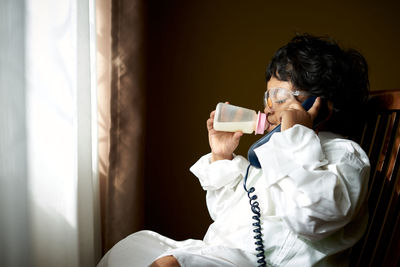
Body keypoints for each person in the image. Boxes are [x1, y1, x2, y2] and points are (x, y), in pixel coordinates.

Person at [97, 34, 370, 267]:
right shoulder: (278, 150)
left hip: (264, 263)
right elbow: (230, 217)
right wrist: (221, 156)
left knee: (171, 264)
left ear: (318, 104)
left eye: (279, 97)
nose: (268, 108)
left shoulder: (344, 155)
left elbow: (311, 220)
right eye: (267, 97)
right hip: (228, 254)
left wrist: (295, 138)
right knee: (129, 250)